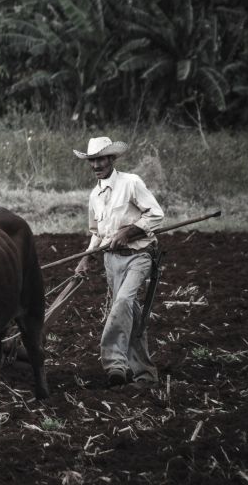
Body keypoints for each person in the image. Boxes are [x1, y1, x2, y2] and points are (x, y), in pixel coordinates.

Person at [73, 137, 164, 388]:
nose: (96, 165)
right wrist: (86, 258)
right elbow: (97, 233)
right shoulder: (95, 195)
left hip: (139, 256)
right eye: (92, 160)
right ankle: (145, 374)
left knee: (123, 302)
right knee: (130, 315)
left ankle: (114, 363)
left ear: (112, 159)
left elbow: (156, 215)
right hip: (111, 262)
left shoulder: (131, 183)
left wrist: (130, 231)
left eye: (101, 159)